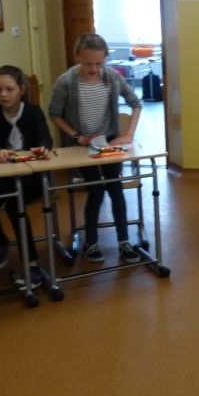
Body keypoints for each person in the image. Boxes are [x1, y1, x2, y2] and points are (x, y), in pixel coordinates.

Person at [48, 33, 142, 265]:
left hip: (107, 142)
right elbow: (54, 114)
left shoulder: (112, 77)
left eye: (98, 64)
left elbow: (135, 104)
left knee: (115, 187)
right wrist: (76, 136)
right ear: (77, 57)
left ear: (105, 59)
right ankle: (91, 242)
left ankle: (124, 241)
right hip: (82, 144)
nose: (93, 69)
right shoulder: (66, 81)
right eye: (88, 63)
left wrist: (128, 135)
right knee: (96, 189)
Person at [0, 65, 53, 289]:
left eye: (9, 89)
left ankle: (32, 265)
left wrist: (42, 148)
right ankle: (0, 242)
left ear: (21, 90)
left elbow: (46, 138)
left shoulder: (33, 111)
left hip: (32, 174)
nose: (3, 95)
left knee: (13, 204)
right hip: (4, 173)